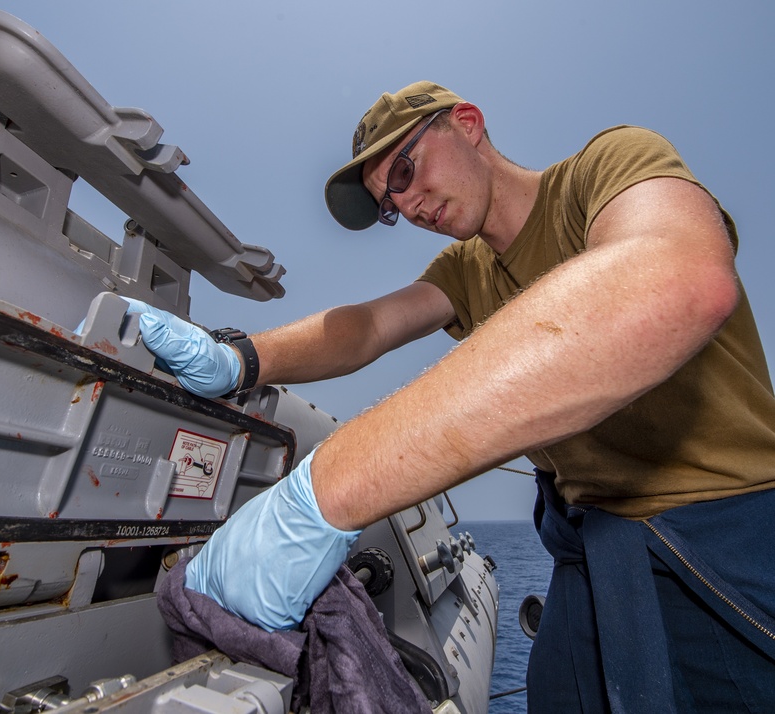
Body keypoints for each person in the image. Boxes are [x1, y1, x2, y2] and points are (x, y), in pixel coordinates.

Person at [127, 81, 775, 711]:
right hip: (591, 543)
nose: (407, 208)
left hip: (722, 530)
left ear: (466, 123)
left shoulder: (604, 168)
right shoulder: (465, 271)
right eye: (390, 205)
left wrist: (329, 489)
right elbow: (367, 327)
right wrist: (237, 357)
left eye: (404, 171)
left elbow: (674, 278)